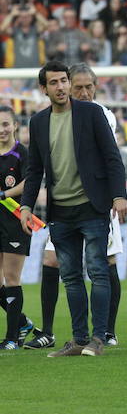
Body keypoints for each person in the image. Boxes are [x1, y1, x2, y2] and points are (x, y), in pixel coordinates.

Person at [20, 61, 127, 358]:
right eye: (54, 82)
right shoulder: (38, 122)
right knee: (70, 277)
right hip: (61, 212)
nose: (62, 87)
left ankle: (99, 338)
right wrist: (26, 205)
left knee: (97, 270)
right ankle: (79, 339)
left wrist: (119, 195)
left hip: (92, 207)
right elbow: (34, 169)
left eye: (64, 81)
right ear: (44, 89)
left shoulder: (92, 113)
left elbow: (112, 157)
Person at [0, 106, 34, 349]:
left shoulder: (22, 153)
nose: (2, 130)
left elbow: (30, 181)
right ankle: (22, 323)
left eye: (5, 124)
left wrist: (4, 194)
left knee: (12, 278)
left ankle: (11, 339)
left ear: (15, 126)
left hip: (15, 219)